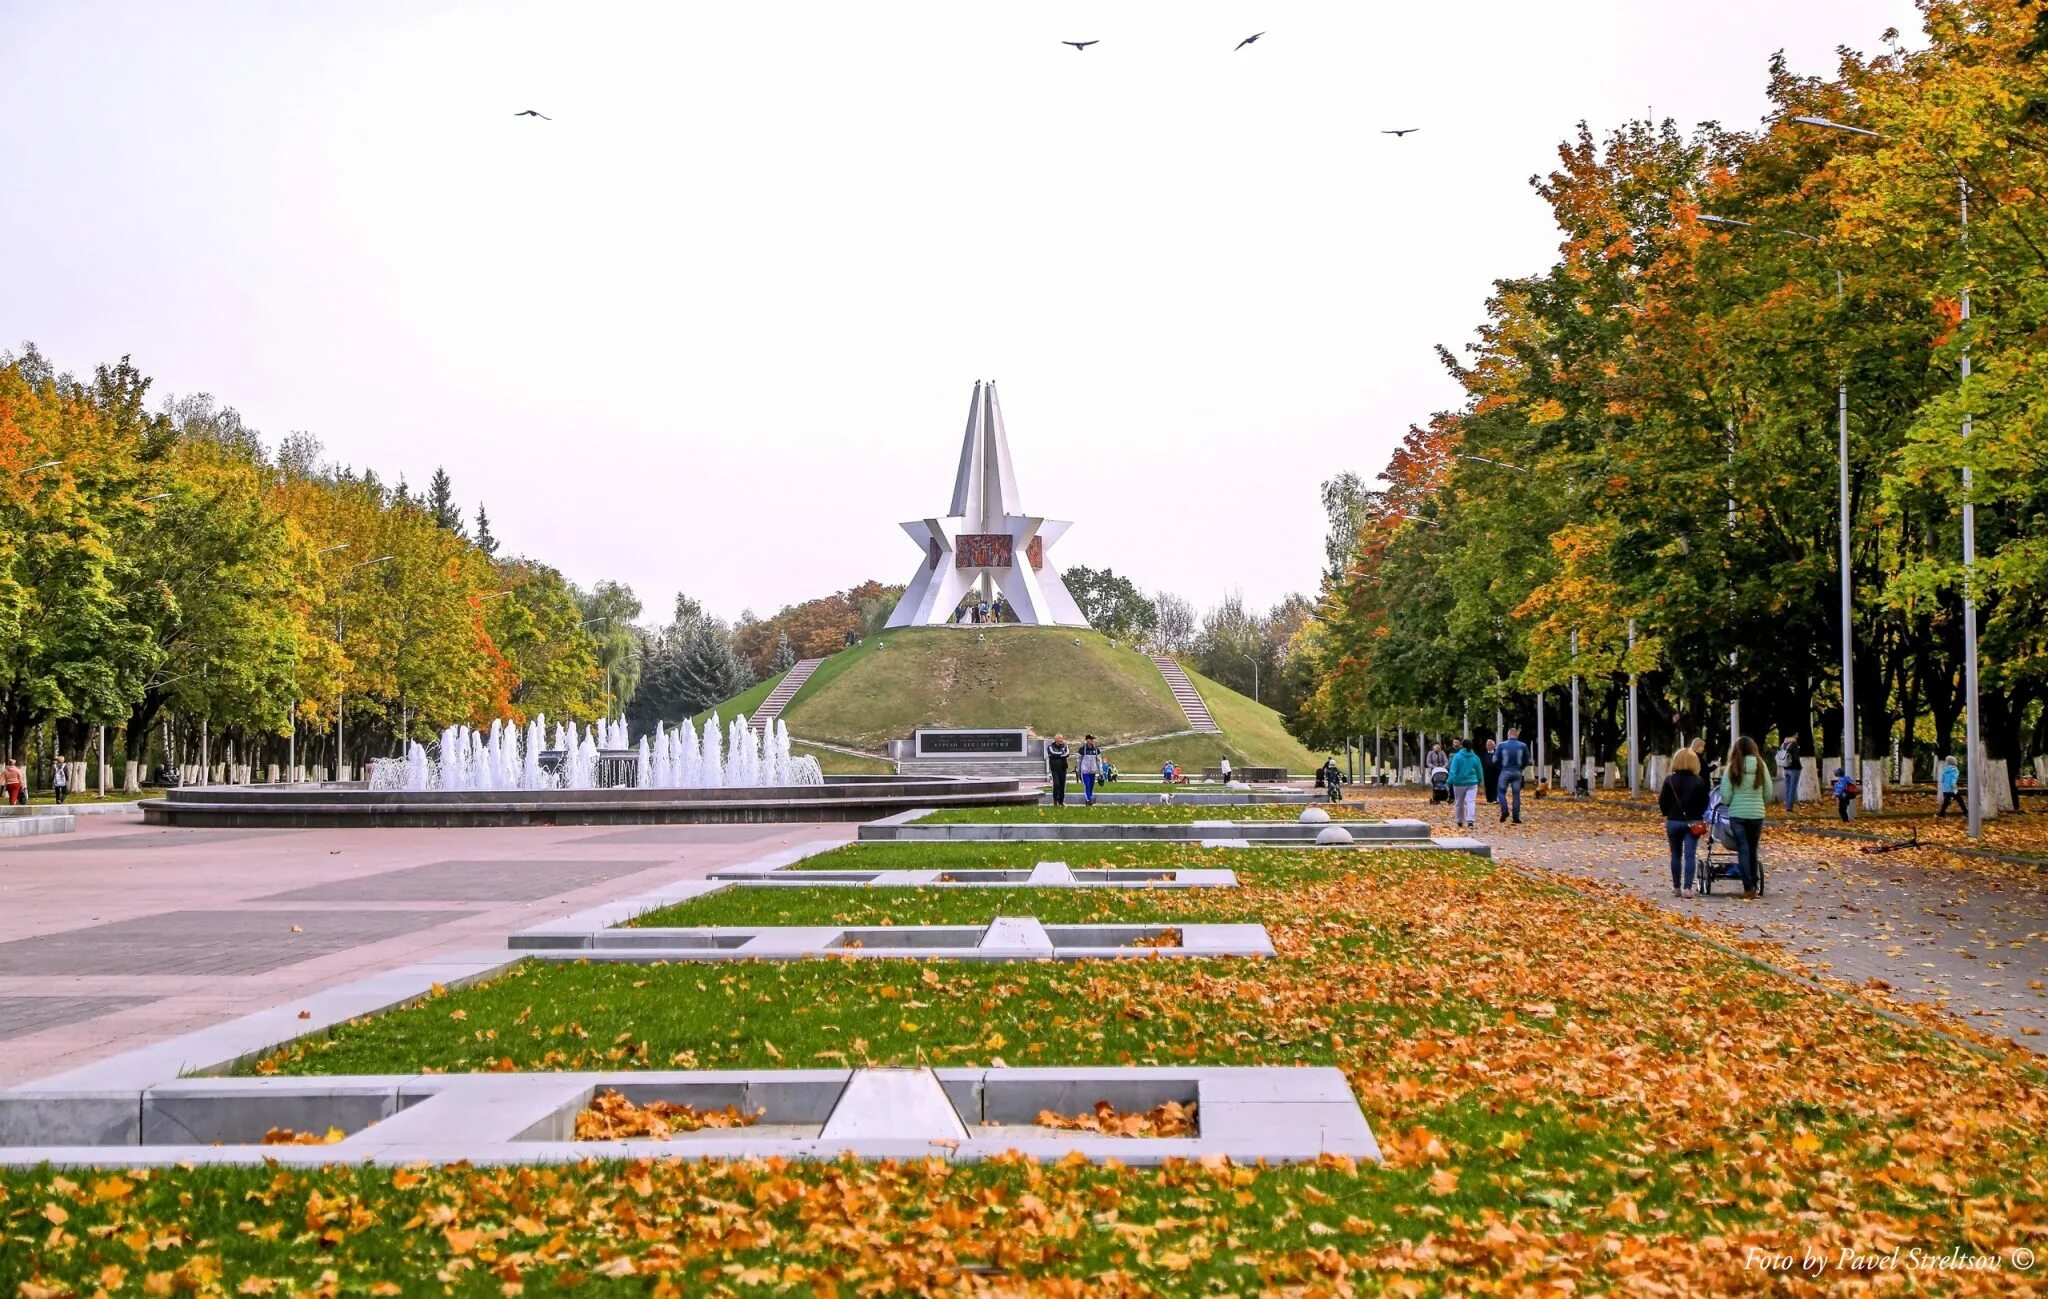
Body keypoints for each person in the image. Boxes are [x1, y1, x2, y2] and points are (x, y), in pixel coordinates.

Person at [1718, 736, 1773, 897]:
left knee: (1743, 847)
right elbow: (1768, 792)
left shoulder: (1732, 767)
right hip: (1756, 814)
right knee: (1753, 848)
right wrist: (1759, 802)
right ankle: (1754, 883)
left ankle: (1748, 887)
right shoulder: (1761, 766)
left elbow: (1725, 795)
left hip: (1737, 814)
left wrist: (1730, 803)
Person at [1658, 747, 1709, 895]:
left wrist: (1668, 813)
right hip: (1693, 822)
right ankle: (1688, 888)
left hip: (1673, 821)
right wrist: (1698, 814)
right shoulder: (1699, 781)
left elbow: (1663, 802)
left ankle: (1676, 887)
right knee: (1690, 854)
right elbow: (1705, 802)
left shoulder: (1669, 780)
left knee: (1675, 855)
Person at [1446, 738, 1483, 829]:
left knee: (1459, 802)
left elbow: (1453, 770)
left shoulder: (1457, 757)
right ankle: (1470, 821)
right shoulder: (1475, 757)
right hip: (1472, 782)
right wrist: (1479, 780)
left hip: (1459, 783)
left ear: (1462, 745)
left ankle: (1459, 820)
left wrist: (1449, 781)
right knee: (1471, 801)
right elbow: (1479, 770)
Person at [1494, 728, 1528, 824]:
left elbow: (1495, 759)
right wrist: (1521, 767)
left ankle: (1505, 810)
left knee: (1501, 792)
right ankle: (1516, 817)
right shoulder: (1523, 746)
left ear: (1508, 735)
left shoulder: (1501, 745)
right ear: (1517, 735)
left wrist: (1501, 766)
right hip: (1517, 772)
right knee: (1516, 795)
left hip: (1505, 771)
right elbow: (1528, 760)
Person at [1777, 732, 1804, 812]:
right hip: (1794, 769)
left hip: (1786, 768)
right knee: (1793, 788)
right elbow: (1795, 758)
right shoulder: (1794, 744)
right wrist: (1799, 766)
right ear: (1794, 735)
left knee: (1788, 788)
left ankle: (1787, 805)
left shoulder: (1783, 744)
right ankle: (1789, 808)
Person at [1045, 734, 1071, 807]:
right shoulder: (1050, 747)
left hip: (1063, 768)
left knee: (1062, 786)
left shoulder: (1065, 746)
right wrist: (1062, 754)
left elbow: (1067, 754)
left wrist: (1059, 755)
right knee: (1056, 784)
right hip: (1055, 769)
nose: (1061, 740)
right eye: (1060, 738)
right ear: (1056, 739)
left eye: (1062, 738)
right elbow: (1052, 753)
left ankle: (1061, 801)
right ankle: (1055, 801)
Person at [1077, 735, 1102, 805]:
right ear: (1087, 740)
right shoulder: (1082, 749)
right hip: (1085, 771)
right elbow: (1079, 760)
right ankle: (1088, 800)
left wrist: (1101, 772)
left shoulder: (1096, 750)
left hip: (1093, 771)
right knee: (1087, 785)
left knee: (1091, 786)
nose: (1092, 741)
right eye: (1090, 739)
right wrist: (1078, 770)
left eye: (1093, 739)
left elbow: (1099, 761)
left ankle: (1089, 798)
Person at [1481, 738, 1500, 806]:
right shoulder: (1484, 754)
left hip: (1496, 772)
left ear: (1493, 746)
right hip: (1486, 772)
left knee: (1495, 785)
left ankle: (1494, 798)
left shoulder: (1497, 753)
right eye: (1487, 745)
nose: (1488, 746)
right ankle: (1489, 799)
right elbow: (1482, 763)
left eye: (1490, 745)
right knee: (1488, 785)